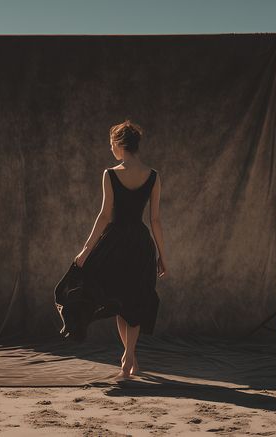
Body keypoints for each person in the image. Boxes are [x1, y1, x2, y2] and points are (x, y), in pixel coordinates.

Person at [54, 119, 167, 380]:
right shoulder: (153, 176)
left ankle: (128, 357)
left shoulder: (111, 173)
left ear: (118, 144)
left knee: (119, 300)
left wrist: (85, 250)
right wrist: (163, 255)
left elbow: (104, 216)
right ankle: (130, 356)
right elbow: (156, 220)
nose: (111, 149)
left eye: (111, 144)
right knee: (134, 301)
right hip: (140, 243)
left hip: (115, 243)